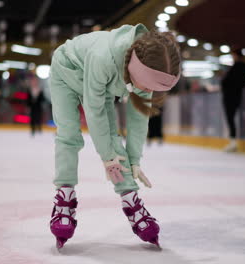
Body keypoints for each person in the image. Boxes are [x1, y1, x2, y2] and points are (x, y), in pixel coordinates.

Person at [48, 24, 180, 249]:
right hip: (66, 71)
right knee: (69, 136)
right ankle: (65, 194)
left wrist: (135, 159)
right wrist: (107, 155)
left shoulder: (148, 61)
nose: (146, 90)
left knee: (112, 139)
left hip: (102, 82)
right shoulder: (103, 58)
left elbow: (139, 116)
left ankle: (130, 198)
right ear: (135, 69)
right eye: (145, 85)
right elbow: (94, 111)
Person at [221, 47, 245, 152]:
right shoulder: (242, 67)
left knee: (231, 119)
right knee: (232, 119)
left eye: (233, 55)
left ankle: (233, 142)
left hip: (231, 96)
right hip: (236, 95)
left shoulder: (237, 67)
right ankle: (233, 142)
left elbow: (226, 82)